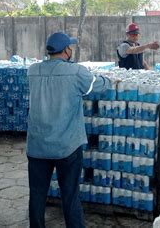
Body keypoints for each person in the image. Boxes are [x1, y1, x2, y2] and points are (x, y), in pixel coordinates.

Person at [26, 32, 111, 228]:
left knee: (37, 195)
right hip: (67, 147)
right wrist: (108, 80)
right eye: (70, 47)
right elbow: (98, 86)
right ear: (66, 50)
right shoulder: (76, 72)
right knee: (70, 195)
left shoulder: (33, 71)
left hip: (37, 146)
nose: (71, 50)